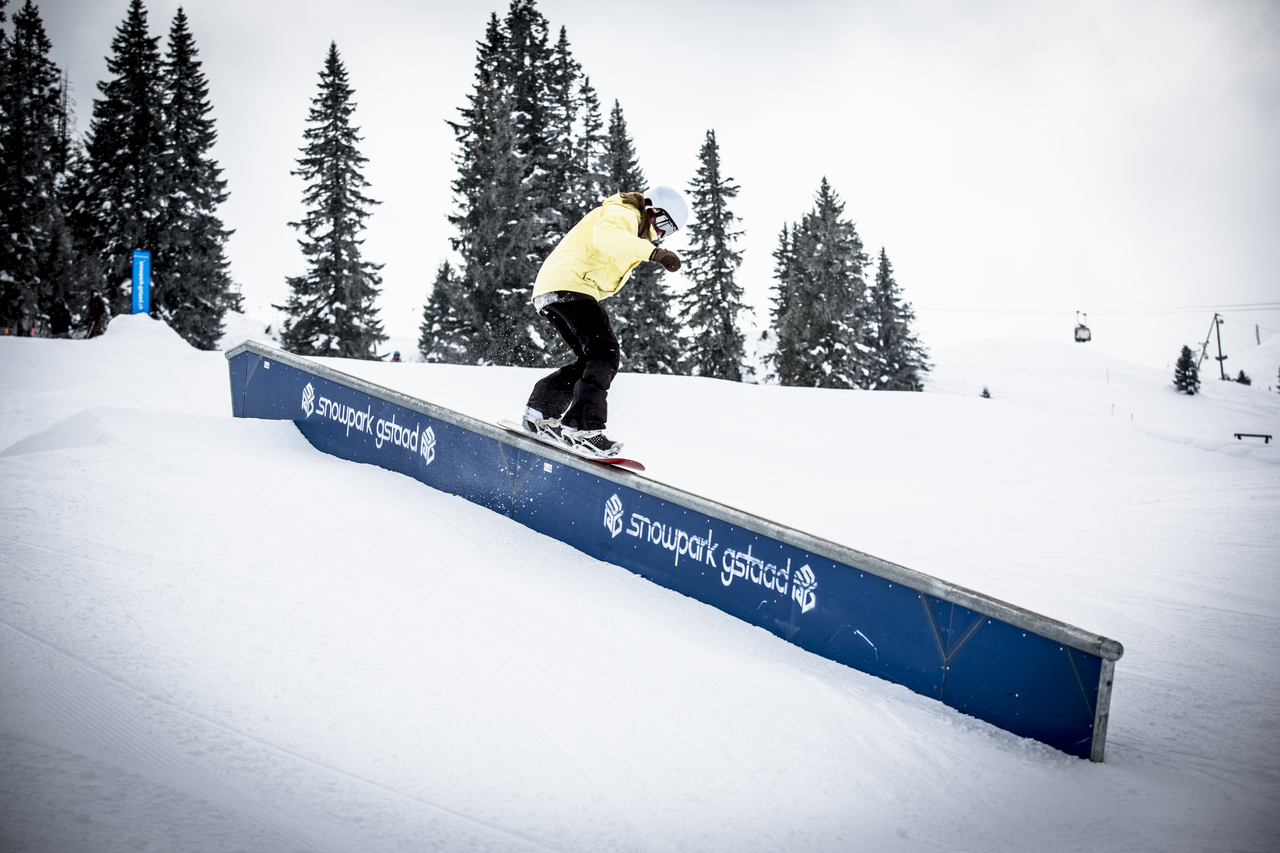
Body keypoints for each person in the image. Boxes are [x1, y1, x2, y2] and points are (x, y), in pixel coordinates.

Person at [522, 186, 687, 457]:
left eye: (669, 232)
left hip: (556, 289)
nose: (661, 234)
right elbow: (606, 237)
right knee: (605, 354)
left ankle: (540, 413)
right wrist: (655, 253)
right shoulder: (626, 213)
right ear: (651, 209)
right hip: (570, 287)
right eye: (664, 224)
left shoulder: (630, 226)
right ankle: (583, 428)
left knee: (590, 360)